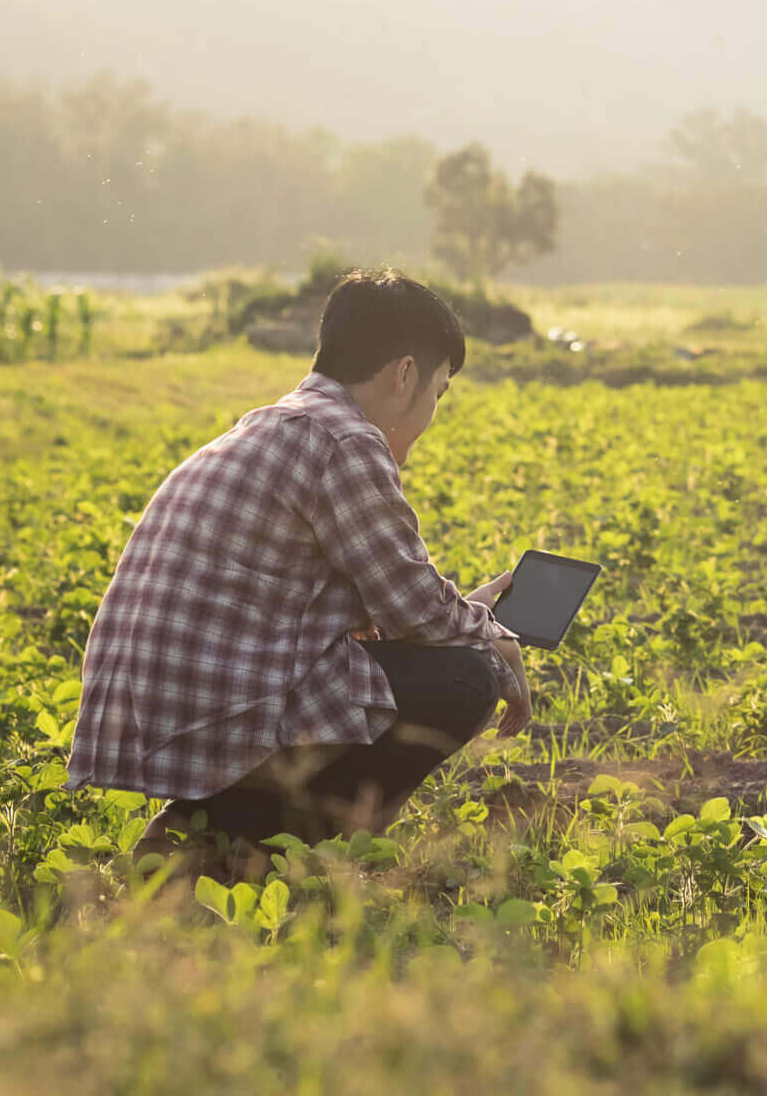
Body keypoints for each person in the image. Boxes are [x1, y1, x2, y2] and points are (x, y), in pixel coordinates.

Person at [66, 268, 531, 874]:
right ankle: (263, 851)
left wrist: (464, 617)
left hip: (146, 713)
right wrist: (492, 635)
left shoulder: (273, 425)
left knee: (449, 657)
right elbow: (416, 609)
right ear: (405, 375)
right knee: (466, 679)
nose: (432, 414)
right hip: (207, 714)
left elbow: (391, 609)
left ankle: (196, 829)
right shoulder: (345, 440)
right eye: (439, 393)